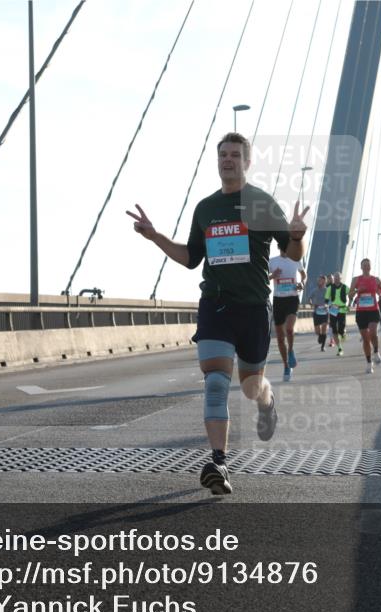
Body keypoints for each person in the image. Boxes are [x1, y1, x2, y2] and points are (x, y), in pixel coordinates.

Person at [127, 132, 308, 495]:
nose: (228, 160)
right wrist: (156, 236)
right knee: (215, 384)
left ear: (247, 162)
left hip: (254, 308)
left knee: (251, 387)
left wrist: (298, 235)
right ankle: (219, 463)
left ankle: (267, 400)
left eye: (235, 155)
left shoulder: (260, 202)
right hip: (215, 305)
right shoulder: (205, 208)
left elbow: (292, 254)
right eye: (223, 155)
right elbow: (191, 259)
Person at [269, 251, 305, 381]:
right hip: (278, 301)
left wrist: (302, 283)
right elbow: (263, 277)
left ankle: (290, 351)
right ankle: (286, 366)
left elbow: (303, 274)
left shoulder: (295, 259)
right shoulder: (272, 261)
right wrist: (273, 275)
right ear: (279, 246)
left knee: (289, 329)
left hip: (292, 299)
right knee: (280, 338)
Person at [349, 258, 381, 373]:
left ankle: (376, 352)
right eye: (364, 265)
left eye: (368, 265)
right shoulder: (356, 280)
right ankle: (369, 363)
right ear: (361, 267)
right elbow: (349, 295)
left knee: (373, 332)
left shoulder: (376, 279)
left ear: (370, 267)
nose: (366, 267)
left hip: (373, 310)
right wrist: (358, 290)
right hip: (361, 311)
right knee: (365, 338)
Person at [325, 272, 349, 356]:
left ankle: (343, 333)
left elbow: (351, 294)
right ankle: (339, 348)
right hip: (333, 310)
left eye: (338, 277)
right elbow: (326, 298)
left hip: (342, 309)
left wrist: (349, 304)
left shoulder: (345, 287)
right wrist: (326, 305)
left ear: (341, 278)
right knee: (334, 329)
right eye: (335, 278)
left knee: (341, 329)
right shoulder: (330, 288)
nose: (336, 279)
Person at [307, 274, 330, 351]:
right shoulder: (314, 290)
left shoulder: (327, 291)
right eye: (318, 280)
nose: (319, 282)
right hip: (316, 312)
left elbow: (332, 300)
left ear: (324, 282)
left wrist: (327, 305)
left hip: (325, 312)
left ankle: (323, 346)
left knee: (324, 328)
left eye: (320, 280)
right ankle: (320, 336)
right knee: (317, 331)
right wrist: (311, 303)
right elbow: (309, 298)